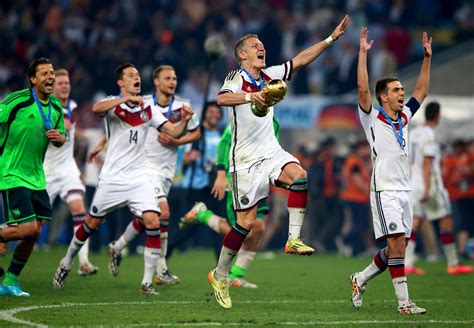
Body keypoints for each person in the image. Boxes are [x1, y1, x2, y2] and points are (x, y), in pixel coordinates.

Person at [208, 15, 350, 309]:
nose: (262, 48)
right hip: (244, 160)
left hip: (271, 152)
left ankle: (293, 239)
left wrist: (330, 39)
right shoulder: (236, 78)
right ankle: (220, 275)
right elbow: (222, 100)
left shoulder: (271, 75)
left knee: (299, 176)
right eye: (254, 45)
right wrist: (253, 96)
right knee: (245, 224)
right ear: (242, 54)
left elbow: (300, 60)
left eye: (262, 45)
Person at [52, 63, 193, 295]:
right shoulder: (112, 104)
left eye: (137, 74)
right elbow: (98, 108)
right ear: (121, 82)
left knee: (153, 221)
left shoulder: (148, 106)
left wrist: (185, 121)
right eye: (130, 75)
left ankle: (146, 283)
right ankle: (66, 262)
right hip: (112, 178)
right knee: (91, 225)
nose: (136, 77)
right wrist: (123, 99)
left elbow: (173, 132)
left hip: (139, 177)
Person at [350, 27, 432, 315]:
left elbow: (421, 90)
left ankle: (360, 278)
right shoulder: (372, 117)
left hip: (404, 188)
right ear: (383, 97)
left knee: (396, 251)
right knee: (396, 245)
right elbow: (362, 89)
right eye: (396, 90)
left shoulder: (405, 117)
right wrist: (362, 53)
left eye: (401, 89)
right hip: (384, 188)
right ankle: (404, 304)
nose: (402, 93)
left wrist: (426, 58)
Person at [105, 64, 201, 285]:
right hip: (145, 167)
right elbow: (121, 125)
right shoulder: (143, 102)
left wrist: (177, 141)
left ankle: (118, 246)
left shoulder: (183, 107)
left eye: (175, 78)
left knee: (149, 218)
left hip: (167, 171)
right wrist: (103, 142)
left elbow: (196, 133)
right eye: (167, 78)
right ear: (156, 82)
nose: (172, 82)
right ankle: (161, 269)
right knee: (164, 213)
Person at [180, 118, 280, 288]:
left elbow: (272, 151)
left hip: (258, 181)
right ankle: (203, 214)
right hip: (236, 179)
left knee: (259, 227)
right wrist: (221, 174)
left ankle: (236, 276)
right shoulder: (240, 116)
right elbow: (224, 144)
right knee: (244, 231)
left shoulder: (273, 122)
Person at [0, 58, 66, 297]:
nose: (51, 77)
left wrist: (61, 138)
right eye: (45, 73)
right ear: (33, 79)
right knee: (26, 228)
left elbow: (62, 136)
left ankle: (9, 281)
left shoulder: (56, 108)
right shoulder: (16, 101)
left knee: (35, 232)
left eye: (52, 73)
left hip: (37, 177)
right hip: (11, 173)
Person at [406, 102, 473, 275]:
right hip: (431, 185)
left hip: (415, 183)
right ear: (437, 115)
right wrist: (428, 189)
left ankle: (408, 263)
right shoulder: (429, 134)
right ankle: (453, 263)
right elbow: (427, 162)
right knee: (446, 220)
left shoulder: (413, 133)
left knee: (415, 223)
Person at [43, 68, 98, 276]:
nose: (65, 86)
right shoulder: (46, 109)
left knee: (79, 210)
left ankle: (83, 261)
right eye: (60, 83)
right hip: (46, 170)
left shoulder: (72, 106)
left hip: (67, 169)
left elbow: (71, 133)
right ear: (52, 87)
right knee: (32, 225)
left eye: (67, 82)